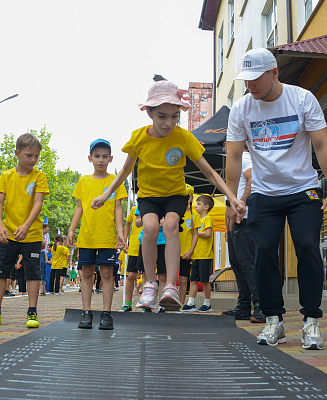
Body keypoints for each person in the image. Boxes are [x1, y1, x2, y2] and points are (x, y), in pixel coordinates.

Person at [226, 48, 327, 350]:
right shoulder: (242, 109)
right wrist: (232, 199)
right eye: (246, 80)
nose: (249, 86)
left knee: (307, 246)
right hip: (264, 194)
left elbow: (321, 144)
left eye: (255, 79)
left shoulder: (302, 99)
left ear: (274, 73)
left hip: (303, 190)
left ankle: (311, 322)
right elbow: (234, 155)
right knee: (264, 251)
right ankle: (273, 320)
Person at [92, 81, 245, 312]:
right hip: (149, 196)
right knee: (151, 227)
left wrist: (231, 197)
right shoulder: (138, 138)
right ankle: (151, 283)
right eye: (162, 116)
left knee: (172, 224)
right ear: (149, 112)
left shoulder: (183, 138)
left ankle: (170, 286)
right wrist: (106, 194)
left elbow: (211, 173)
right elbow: (124, 171)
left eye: (175, 117)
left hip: (175, 194)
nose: (169, 123)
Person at [0, 133, 49, 328]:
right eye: (29, 155)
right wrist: (0, 227)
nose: (33, 160)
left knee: (33, 274)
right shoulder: (6, 176)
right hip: (8, 235)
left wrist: (26, 226)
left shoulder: (39, 176)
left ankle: (32, 313)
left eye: (36, 156)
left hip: (32, 235)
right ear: (17, 153)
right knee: (1, 272)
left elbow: (38, 203)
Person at [67, 138, 127, 330]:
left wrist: (120, 232)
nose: (100, 160)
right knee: (86, 273)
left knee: (107, 273)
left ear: (111, 158)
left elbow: (118, 208)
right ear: (89, 158)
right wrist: (71, 229)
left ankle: (107, 314)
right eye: (97, 156)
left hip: (107, 236)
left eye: (104, 156)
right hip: (87, 236)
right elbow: (79, 207)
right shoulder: (84, 181)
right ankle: (86, 313)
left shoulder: (115, 181)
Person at [223, 147, 264, 322]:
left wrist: (242, 204)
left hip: (244, 220)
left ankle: (261, 307)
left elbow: (253, 179)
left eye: (227, 143)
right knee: (237, 264)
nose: (225, 148)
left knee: (247, 264)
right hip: (234, 224)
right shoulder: (233, 164)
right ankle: (244, 306)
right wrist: (227, 229)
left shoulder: (244, 157)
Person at [183, 195, 214, 313]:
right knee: (193, 279)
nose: (196, 206)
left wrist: (195, 233)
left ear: (206, 207)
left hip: (205, 255)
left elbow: (208, 234)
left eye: (199, 204)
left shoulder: (207, 218)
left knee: (205, 280)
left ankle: (207, 304)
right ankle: (191, 303)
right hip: (195, 255)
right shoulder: (195, 219)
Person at [178, 185, 200, 305]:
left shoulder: (194, 215)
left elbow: (195, 234)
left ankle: (180, 306)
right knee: (167, 279)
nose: (186, 198)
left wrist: (191, 250)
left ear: (192, 198)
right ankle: (166, 304)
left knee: (183, 279)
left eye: (188, 196)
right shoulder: (175, 213)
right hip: (173, 251)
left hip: (186, 252)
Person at [119, 205, 144, 312]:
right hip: (134, 246)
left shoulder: (153, 207)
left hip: (147, 245)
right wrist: (125, 241)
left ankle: (145, 304)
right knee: (131, 275)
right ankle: (128, 303)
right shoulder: (135, 209)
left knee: (146, 275)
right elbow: (127, 224)